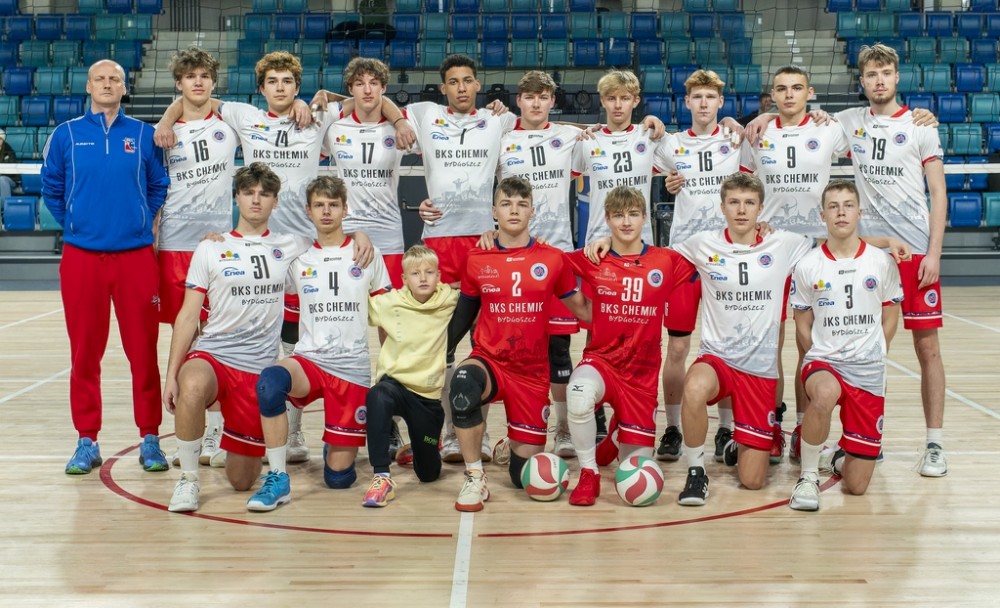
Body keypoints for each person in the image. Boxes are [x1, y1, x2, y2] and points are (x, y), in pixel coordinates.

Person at [156, 51, 387, 465]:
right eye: (273, 82)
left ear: (297, 86)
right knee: (224, 336)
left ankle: (293, 433)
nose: (280, 88)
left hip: (303, 252)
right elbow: (195, 98)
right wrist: (163, 121)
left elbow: (366, 99)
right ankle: (215, 433)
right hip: (253, 248)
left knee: (298, 341)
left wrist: (330, 98)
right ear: (261, 88)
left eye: (288, 82)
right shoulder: (244, 115)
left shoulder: (318, 115)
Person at [41, 59, 171, 475]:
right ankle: (87, 440)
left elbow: (159, 184)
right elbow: (51, 188)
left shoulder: (145, 135)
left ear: (124, 87)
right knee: (84, 353)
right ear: (88, 86)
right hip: (82, 258)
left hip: (136, 258)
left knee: (143, 352)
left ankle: (150, 437)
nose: (108, 84)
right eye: (100, 78)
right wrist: (78, 224)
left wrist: (142, 221)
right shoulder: (66, 135)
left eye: (115, 78)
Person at [164, 163, 310, 512]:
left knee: (241, 479)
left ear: (275, 201)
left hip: (257, 372)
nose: (256, 200)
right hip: (214, 355)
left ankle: (231, 440)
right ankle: (188, 480)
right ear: (237, 198)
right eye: (248, 193)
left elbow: (333, 242)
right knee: (191, 384)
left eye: (264, 194)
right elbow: (188, 315)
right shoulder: (211, 248)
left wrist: (360, 236)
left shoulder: (292, 245)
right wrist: (170, 375)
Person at [833, 43, 949, 477]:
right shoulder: (849, 122)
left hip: (916, 253)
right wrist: (755, 118)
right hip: (871, 254)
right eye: (871, 74)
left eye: (885, 73)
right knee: (863, 349)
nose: (879, 80)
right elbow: (799, 120)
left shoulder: (920, 126)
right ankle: (865, 440)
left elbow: (938, 193)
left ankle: (934, 444)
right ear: (862, 81)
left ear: (897, 77)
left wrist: (934, 253)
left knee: (927, 348)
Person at [248, 176, 392, 512]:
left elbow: (387, 315)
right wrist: (217, 239)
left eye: (333, 205)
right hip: (309, 361)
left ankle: (337, 444)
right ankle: (278, 477)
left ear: (345, 209)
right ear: (308, 211)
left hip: (351, 368)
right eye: (319, 205)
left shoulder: (368, 253)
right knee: (270, 383)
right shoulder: (298, 258)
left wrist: (389, 369)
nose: (326, 211)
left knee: (338, 479)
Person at [446, 176, 589, 512]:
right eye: (506, 204)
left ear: (532, 212)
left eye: (522, 204)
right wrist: (443, 352)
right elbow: (465, 312)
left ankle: (510, 444)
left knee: (520, 477)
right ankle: (475, 476)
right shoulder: (477, 258)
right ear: (494, 211)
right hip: (490, 360)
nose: (514, 210)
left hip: (531, 374)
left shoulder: (552, 259)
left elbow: (583, 310)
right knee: (463, 383)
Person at [673, 173, 815, 505]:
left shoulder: (784, 243)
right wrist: (606, 243)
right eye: (734, 202)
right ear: (722, 207)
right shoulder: (702, 243)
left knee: (752, 482)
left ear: (760, 208)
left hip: (759, 372)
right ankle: (696, 472)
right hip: (717, 360)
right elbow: (652, 257)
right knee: (693, 387)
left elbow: (836, 243)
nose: (741, 210)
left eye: (749, 203)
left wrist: (884, 243)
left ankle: (744, 439)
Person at [406, 54, 518, 464]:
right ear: (443, 88)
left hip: (482, 241)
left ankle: (476, 434)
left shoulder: (497, 120)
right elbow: (373, 99)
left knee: (483, 342)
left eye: (468, 80)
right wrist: (327, 97)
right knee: (440, 345)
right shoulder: (424, 114)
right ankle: (445, 433)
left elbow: (547, 126)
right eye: (453, 82)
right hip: (438, 242)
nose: (461, 87)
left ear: (478, 85)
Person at [738, 65, 849, 462]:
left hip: (816, 249)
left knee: (810, 344)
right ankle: (770, 424)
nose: (789, 95)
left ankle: (804, 428)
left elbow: (871, 129)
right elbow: (742, 185)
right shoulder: (758, 132)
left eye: (797, 88)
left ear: (810, 92)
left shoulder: (829, 128)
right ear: (772, 95)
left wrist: (923, 115)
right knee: (769, 344)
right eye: (781, 89)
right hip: (770, 250)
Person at [564, 186, 693, 506]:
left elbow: (709, 259)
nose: (626, 222)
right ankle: (589, 473)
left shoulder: (666, 261)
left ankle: (617, 433)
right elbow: (552, 264)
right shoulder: (595, 257)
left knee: (635, 475)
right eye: (618, 215)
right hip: (602, 362)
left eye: (633, 214)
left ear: (644, 218)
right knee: (578, 395)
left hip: (641, 379)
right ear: (607, 218)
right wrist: (581, 308)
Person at [787, 180, 902, 511]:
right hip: (825, 362)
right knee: (823, 393)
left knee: (857, 486)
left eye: (848, 205)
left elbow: (890, 317)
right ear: (822, 215)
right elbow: (802, 323)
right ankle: (808, 477)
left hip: (868, 370)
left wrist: (875, 351)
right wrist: (819, 353)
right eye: (833, 206)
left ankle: (837, 457)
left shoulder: (881, 262)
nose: (841, 212)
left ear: (859, 213)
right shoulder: (808, 265)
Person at [654, 69, 745, 465]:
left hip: (727, 256)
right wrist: (666, 182)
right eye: (697, 97)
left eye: (711, 97)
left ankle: (726, 426)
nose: (704, 103)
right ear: (687, 102)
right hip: (684, 258)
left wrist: (742, 121)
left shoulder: (735, 139)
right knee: (677, 347)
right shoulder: (671, 144)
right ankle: (673, 427)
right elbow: (630, 138)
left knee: (726, 346)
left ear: (720, 102)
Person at [158, 46, 240, 467]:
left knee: (218, 338)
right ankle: (190, 432)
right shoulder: (163, 134)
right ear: (179, 82)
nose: (198, 82)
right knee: (184, 337)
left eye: (204, 75)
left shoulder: (229, 122)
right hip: (174, 244)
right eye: (190, 76)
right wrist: (166, 119)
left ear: (213, 81)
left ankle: (217, 433)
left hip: (217, 244)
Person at [497, 70, 585, 459]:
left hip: (557, 256)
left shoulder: (569, 136)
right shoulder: (501, 137)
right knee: (515, 351)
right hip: (511, 260)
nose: (536, 103)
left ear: (553, 101)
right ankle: (517, 428)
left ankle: (563, 429)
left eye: (543, 96)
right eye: (529, 96)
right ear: (519, 100)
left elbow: (612, 132)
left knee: (558, 351)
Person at [363, 245, 459, 507]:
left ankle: (421, 445)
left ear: (439, 276)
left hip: (427, 399)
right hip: (395, 386)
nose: (423, 278)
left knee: (429, 473)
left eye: (429, 272)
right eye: (415, 274)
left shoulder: (449, 300)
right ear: (404, 279)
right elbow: (353, 306)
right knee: (378, 395)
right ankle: (381, 476)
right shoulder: (389, 302)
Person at [0, 128, 20, 199]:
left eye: (0, 139)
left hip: (11, 179)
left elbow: (11, 169)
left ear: (3, 140)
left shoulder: (9, 151)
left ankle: (5, 203)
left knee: (2, 179)